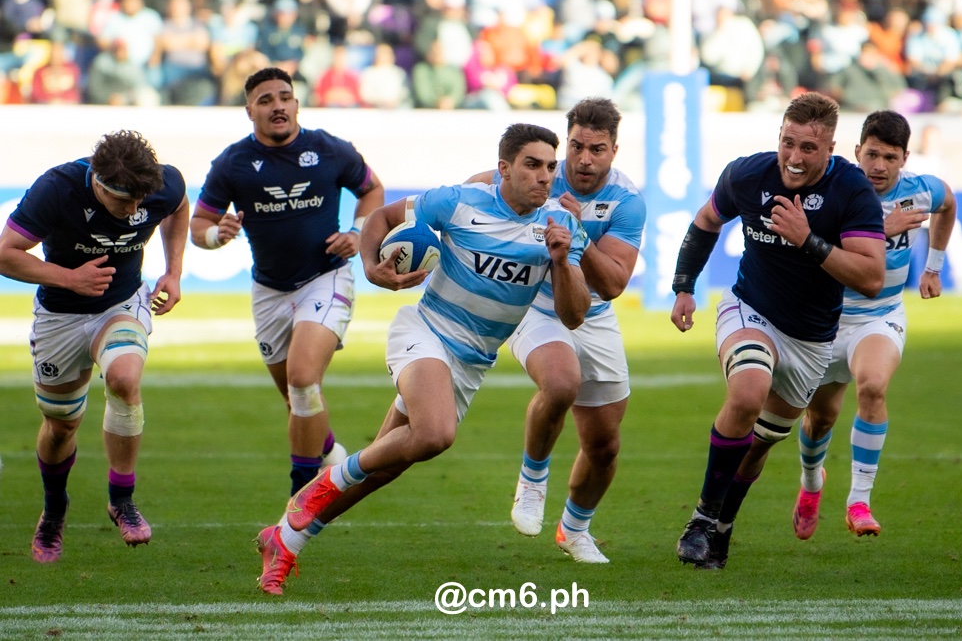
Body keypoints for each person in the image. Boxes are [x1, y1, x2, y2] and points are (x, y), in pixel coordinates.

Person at [255, 122, 591, 595]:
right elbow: (383, 217)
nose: (545, 176)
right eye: (532, 165)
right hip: (425, 332)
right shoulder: (459, 201)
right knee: (434, 434)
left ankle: (285, 538)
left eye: (550, 167)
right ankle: (320, 486)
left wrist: (561, 261)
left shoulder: (561, 226)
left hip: (471, 363)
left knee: (383, 467)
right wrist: (372, 267)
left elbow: (573, 317)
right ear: (504, 169)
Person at [670, 92, 886, 570]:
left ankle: (723, 528)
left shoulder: (851, 191)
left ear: (831, 147)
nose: (794, 157)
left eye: (809, 148)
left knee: (758, 446)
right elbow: (707, 220)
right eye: (788, 142)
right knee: (748, 392)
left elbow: (871, 278)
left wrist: (808, 239)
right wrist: (684, 286)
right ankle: (702, 520)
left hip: (811, 338)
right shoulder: (748, 174)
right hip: (751, 310)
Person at [190, 67, 384, 503]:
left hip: (325, 278)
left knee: (301, 379)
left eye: (285, 96)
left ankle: (302, 497)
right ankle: (331, 452)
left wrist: (358, 232)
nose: (277, 105)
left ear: (296, 103)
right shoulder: (232, 163)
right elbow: (199, 224)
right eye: (265, 99)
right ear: (249, 111)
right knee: (297, 398)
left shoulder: (329, 149)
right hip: (269, 290)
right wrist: (213, 235)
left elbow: (372, 189)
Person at [466, 97, 646, 563]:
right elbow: (476, 190)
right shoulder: (542, 172)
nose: (585, 159)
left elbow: (613, 283)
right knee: (561, 381)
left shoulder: (627, 202)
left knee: (604, 445)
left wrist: (577, 234)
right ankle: (532, 480)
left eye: (598, 149)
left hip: (595, 313)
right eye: (577, 146)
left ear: (614, 151)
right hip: (533, 306)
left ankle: (574, 530)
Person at [0, 130, 188, 562]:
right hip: (60, 316)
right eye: (125, 203)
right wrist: (69, 278)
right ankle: (54, 509)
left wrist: (174, 271)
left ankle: (121, 499)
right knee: (61, 424)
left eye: (142, 201)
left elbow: (177, 206)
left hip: (121, 304)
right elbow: (6, 253)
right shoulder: (56, 189)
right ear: (100, 184)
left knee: (124, 379)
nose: (135, 211)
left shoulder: (159, 184)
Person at [792, 110, 957, 539]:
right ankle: (812, 483)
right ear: (856, 152)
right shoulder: (832, 189)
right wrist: (881, 230)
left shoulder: (920, 191)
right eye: (871, 154)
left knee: (872, 386)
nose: (878, 166)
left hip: (880, 315)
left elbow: (948, 202)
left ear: (904, 158)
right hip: (824, 319)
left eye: (889, 156)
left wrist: (933, 266)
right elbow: (811, 246)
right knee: (820, 418)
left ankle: (859, 501)